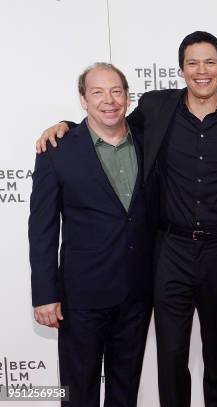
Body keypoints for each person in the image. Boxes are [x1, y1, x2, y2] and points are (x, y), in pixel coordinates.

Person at [36, 31, 217, 407]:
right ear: (181, 69)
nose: (202, 71)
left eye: (210, 62)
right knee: (169, 359)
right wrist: (64, 125)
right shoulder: (157, 108)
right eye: (192, 63)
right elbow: (106, 123)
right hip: (168, 253)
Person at [29, 63, 153, 407]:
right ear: (83, 100)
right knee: (78, 392)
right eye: (97, 92)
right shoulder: (58, 149)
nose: (108, 100)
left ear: (128, 96)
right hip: (80, 297)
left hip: (137, 293)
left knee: (125, 392)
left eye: (116, 91)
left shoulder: (148, 140)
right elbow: (42, 228)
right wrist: (44, 293)